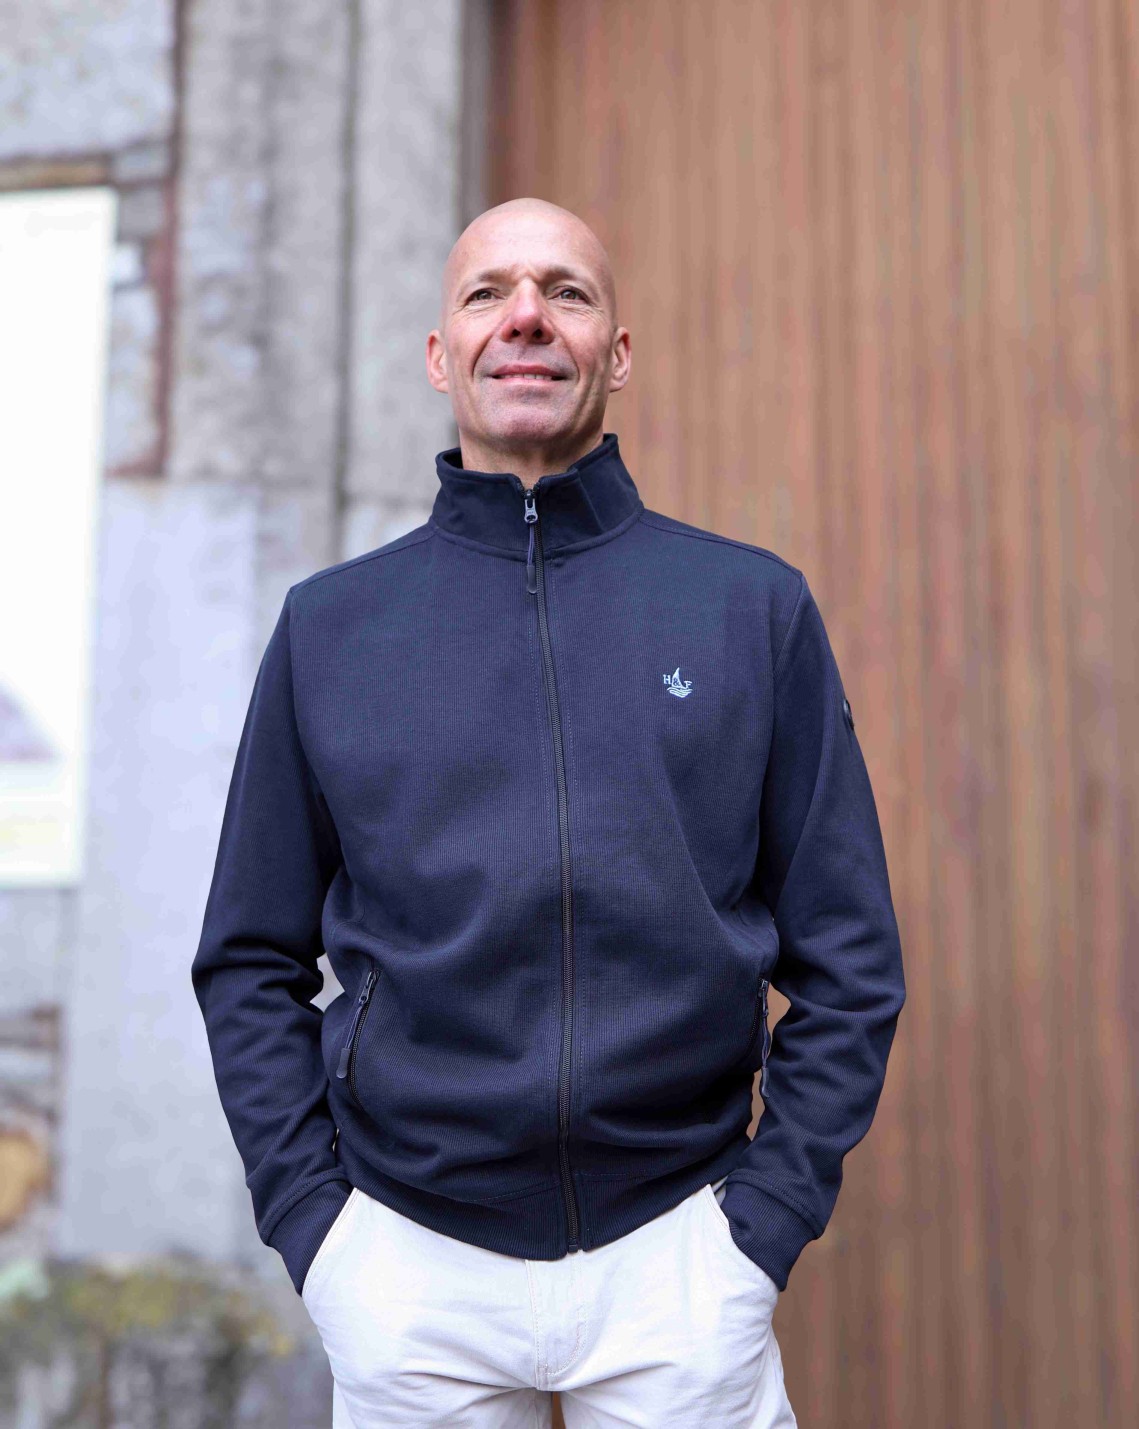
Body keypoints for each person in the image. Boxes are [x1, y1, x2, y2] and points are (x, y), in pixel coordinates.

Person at [191, 196, 906, 1427]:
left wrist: (759, 1227)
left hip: (679, 1260)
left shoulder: (749, 610)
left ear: (615, 354)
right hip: (408, 1270)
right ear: (440, 355)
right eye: (487, 293)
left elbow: (849, 959)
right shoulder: (329, 630)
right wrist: (320, 1231)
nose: (524, 316)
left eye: (564, 292)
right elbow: (248, 960)